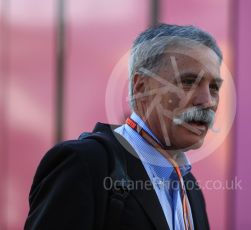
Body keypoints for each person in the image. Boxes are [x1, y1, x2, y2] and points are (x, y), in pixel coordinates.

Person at [25, 23, 223, 230]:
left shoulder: (190, 187)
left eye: (214, 87)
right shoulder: (85, 162)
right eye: (189, 82)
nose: (207, 100)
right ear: (141, 87)